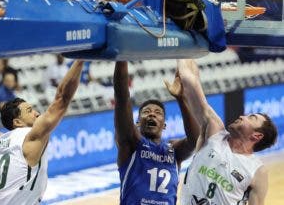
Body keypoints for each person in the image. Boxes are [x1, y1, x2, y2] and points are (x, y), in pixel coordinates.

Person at [177, 59, 278, 205]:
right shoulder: (214, 131)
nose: (242, 116)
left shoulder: (257, 171)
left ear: (257, 136)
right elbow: (189, 80)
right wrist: (185, 50)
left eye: (251, 118)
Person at [0, 60, 84, 205]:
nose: (37, 113)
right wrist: (80, 58)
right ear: (17, 122)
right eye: (29, 111)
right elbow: (62, 99)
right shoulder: (28, 136)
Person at [113, 61, 200, 205]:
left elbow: (195, 140)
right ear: (138, 123)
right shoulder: (131, 144)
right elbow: (122, 98)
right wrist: (122, 57)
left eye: (158, 112)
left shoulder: (173, 150)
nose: (152, 114)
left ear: (164, 125)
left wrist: (181, 99)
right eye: (146, 112)